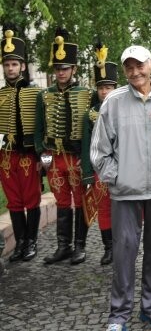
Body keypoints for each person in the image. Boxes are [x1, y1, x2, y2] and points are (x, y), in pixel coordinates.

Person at [90, 45, 151, 331]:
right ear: (124, 70)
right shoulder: (114, 101)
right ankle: (119, 314)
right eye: (129, 67)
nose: (135, 72)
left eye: (140, 65)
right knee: (124, 251)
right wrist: (117, 177)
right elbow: (99, 150)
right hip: (127, 192)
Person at [35, 27, 92, 265]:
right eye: (57, 69)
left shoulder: (86, 94)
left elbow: (91, 131)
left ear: (73, 69)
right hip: (53, 157)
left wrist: (86, 159)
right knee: (61, 202)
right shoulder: (44, 95)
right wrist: (45, 161)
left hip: (75, 158)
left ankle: (80, 247)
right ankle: (63, 246)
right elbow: (39, 131)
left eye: (65, 68)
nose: (61, 73)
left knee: (79, 201)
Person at [0, 24, 42, 262]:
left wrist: (41, 158)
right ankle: (20, 243)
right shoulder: (0, 95)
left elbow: (40, 127)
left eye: (14, 64)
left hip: (27, 155)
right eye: (6, 65)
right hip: (6, 155)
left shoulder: (35, 93)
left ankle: (32, 241)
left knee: (31, 198)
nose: (10, 68)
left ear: (23, 67)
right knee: (14, 200)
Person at [80, 41, 118, 265]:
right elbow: (86, 145)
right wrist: (87, 173)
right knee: (104, 208)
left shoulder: (125, 107)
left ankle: (124, 244)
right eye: (101, 87)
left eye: (109, 87)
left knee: (123, 208)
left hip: (124, 168)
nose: (104, 91)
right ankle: (109, 248)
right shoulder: (90, 115)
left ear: (116, 87)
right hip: (100, 171)